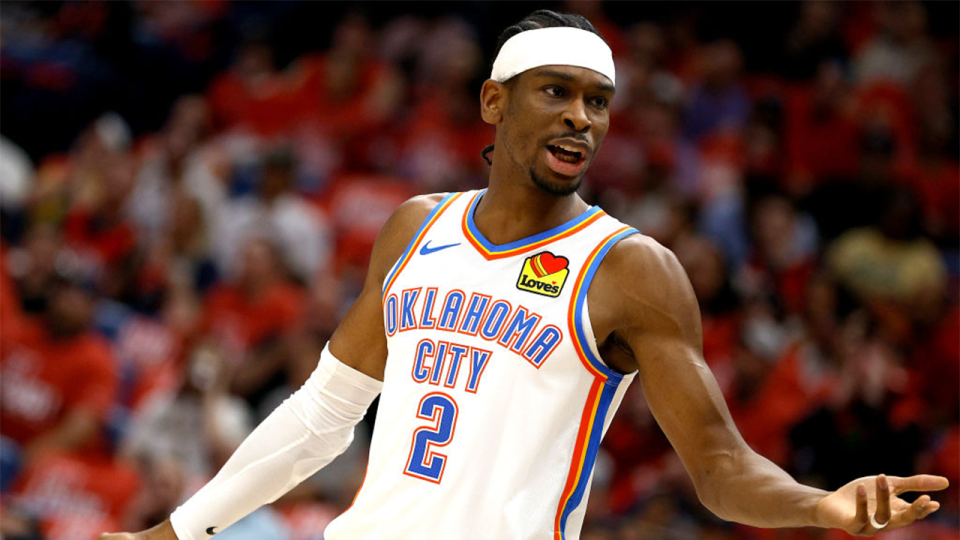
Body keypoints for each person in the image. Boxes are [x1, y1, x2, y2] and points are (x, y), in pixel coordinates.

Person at [100, 10, 947, 540]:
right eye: (557, 92)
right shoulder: (416, 226)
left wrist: (822, 505)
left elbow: (720, 467)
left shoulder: (630, 269)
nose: (582, 116)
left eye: (599, 100)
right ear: (495, 103)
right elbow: (325, 415)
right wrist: (182, 529)